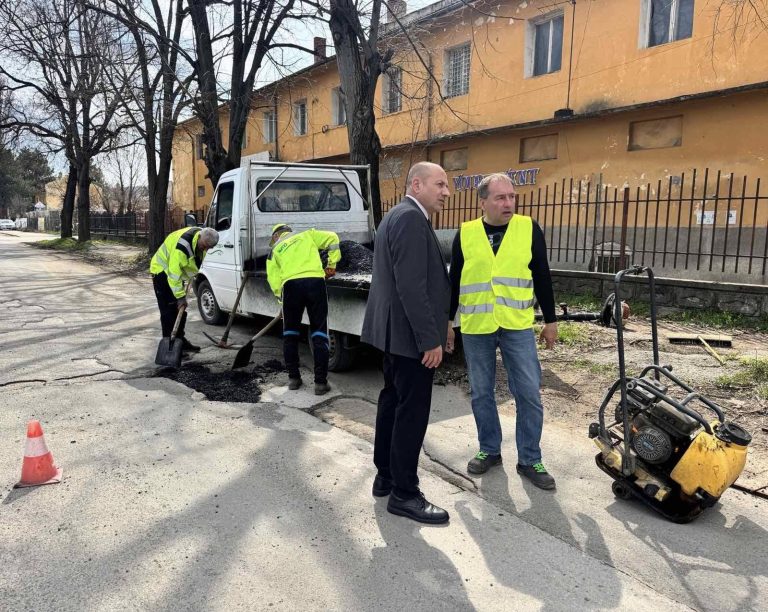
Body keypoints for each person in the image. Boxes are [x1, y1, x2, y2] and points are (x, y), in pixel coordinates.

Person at [448, 172, 558, 490]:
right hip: (477, 327)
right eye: (500, 197)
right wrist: (447, 323)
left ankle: (529, 459)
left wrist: (550, 320)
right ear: (483, 201)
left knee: (528, 393)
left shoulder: (528, 229)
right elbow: (454, 281)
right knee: (482, 393)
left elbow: (542, 275)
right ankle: (489, 450)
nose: (508, 202)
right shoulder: (466, 233)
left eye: (511, 196)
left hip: (517, 324)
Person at [361, 161, 452, 525]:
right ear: (416, 184)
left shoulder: (396, 216)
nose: (446, 192)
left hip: (393, 333)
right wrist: (430, 339)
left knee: (392, 403)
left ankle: (385, 476)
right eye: (440, 184)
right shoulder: (412, 220)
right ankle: (405, 493)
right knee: (410, 413)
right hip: (409, 337)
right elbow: (412, 287)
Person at [266, 223, 340, 395]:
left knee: (290, 335)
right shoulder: (307, 235)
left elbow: (273, 280)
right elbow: (333, 238)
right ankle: (321, 383)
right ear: (288, 232)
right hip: (315, 282)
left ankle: (293, 379)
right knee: (320, 333)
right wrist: (331, 264)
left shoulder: (274, 250)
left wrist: (281, 300)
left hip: (290, 287)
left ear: (276, 236)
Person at [150, 226, 219, 353]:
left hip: (173, 273)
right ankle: (169, 345)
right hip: (161, 272)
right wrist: (180, 297)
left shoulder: (200, 238)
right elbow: (173, 274)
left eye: (209, 248)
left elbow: (189, 264)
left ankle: (180, 341)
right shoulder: (182, 247)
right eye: (204, 246)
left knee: (179, 310)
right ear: (199, 237)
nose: (206, 249)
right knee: (168, 312)